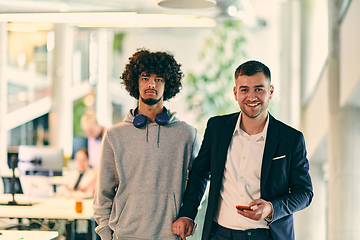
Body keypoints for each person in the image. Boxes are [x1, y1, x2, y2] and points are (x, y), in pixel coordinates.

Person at [172, 60, 313, 240]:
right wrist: (187, 213)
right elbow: (200, 173)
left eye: (259, 89)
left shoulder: (291, 139)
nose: (251, 97)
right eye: (244, 89)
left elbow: (304, 193)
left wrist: (271, 207)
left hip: (267, 235)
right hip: (220, 234)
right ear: (235, 93)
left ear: (270, 92)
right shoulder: (217, 128)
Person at [93, 48, 200, 240]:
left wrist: (188, 215)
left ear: (168, 84)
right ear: (135, 82)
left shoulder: (186, 134)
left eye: (158, 79)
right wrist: (105, 235)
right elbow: (103, 194)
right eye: (145, 77)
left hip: (170, 235)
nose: (151, 84)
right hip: (124, 235)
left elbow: (198, 183)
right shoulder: (114, 135)